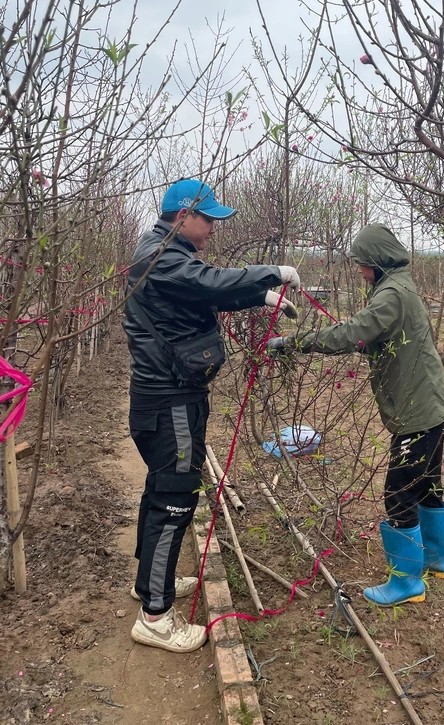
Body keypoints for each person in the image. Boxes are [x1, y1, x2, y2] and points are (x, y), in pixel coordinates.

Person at [123, 178, 300, 652]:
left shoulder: (165, 252)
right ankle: (155, 615)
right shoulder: (159, 257)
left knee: (162, 489)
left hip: (171, 396)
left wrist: (257, 297)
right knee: (176, 496)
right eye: (208, 220)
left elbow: (205, 291)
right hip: (170, 400)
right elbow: (205, 282)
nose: (212, 230)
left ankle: (150, 584)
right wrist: (269, 274)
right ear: (183, 215)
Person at [267, 223, 444, 607]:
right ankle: (437, 561)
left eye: (362, 264)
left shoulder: (391, 294)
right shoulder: (397, 285)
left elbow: (353, 333)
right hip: (430, 404)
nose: (359, 270)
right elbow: (371, 334)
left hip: (416, 410)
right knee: (427, 486)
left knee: (399, 494)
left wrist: (293, 343)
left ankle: (406, 582)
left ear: (378, 261)